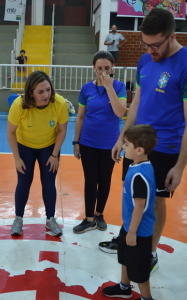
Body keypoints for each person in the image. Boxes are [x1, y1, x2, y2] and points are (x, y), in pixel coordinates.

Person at [99, 8, 187, 276]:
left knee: (155, 202)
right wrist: (121, 138)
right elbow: (136, 102)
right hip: (136, 146)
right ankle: (129, 238)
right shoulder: (144, 61)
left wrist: (180, 166)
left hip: (165, 147)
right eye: (145, 44)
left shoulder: (184, 64)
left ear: (172, 36)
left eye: (155, 44)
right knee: (132, 196)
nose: (150, 50)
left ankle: (150, 251)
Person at [7, 71, 68, 236]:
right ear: (30, 93)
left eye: (48, 90)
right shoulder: (19, 105)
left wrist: (55, 155)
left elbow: (62, 131)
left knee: (49, 182)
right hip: (25, 145)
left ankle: (50, 219)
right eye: (40, 92)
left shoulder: (60, 103)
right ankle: (18, 218)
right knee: (24, 182)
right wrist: (17, 158)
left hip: (49, 146)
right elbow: (11, 133)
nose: (46, 95)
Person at [73, 51, 127, 234]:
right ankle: (89, 219)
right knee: (90, 180)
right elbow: (80, 117)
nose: (102, 72)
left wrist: (109, 86)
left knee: (104, 180)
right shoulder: (86, 88)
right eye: (99, 69)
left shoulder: (119, 87)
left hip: (109, 145)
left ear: (113, 68)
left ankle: (99, 214)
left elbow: (120, 112)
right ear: (93, 69)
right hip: (88, 142)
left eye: (106, 68)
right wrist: (76, 142)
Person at [102, 124, 157, 300]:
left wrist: (132, 232)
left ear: (139, 150)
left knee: (140, 270)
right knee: (125, 258)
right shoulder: (138, 165)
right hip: (129, 226)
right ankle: (124, 287)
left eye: (126, 144)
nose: (123, 147)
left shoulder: (139, 175)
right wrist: (128, 229)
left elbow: (140, 206)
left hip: (138, 231)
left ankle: (146, 298)